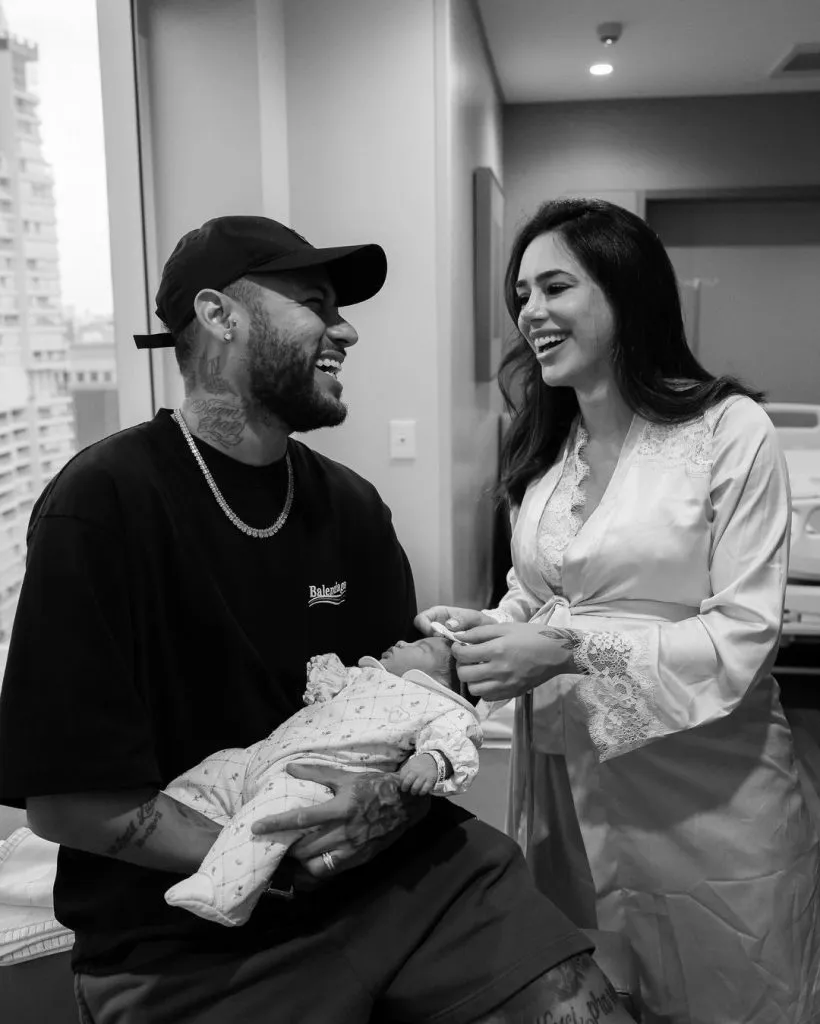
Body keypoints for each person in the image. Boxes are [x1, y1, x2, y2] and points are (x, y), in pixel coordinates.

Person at [0, 216, 635, 1023]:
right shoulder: (104, 504)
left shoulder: (351, 507)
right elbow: (68, 805)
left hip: (403, 877)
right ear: (219, 315)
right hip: (187, 935)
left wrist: (388, 805)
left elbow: (405, 714)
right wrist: (280, 846)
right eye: (314, 303)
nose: (347, 330)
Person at [417, 196, 820, 1024]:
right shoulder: (547, 448)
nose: (531, 312)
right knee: (596, 992)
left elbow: (745, 633)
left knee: (733, 990)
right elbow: (540, 589)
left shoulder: (729, 432)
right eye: (521, 295)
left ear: (626, 290)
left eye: (555, 287)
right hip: (568, 789)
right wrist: (485, 629)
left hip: (706, 792)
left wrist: (568, 649)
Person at [163, 636, 483, 926]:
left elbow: (454, 742)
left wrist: (432, 761)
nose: (402, 642)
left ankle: (223, 889)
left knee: (274, 815)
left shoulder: (441, 705)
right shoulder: (361, 675)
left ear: (445, 683)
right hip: (263, 754)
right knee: (216, 768)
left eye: (421, 647)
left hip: (319, 773)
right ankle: (173, 812)